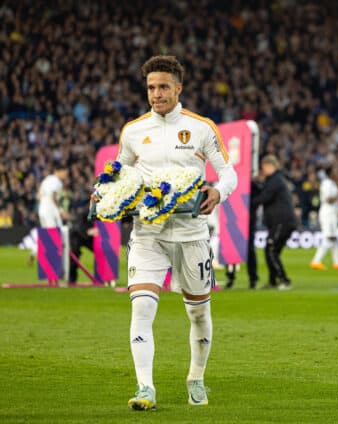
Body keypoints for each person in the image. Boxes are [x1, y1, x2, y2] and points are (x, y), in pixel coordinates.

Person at [115, 55, 237, 410]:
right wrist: (105, 192)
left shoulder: (201, 128)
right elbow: (118, 175)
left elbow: (228, 173)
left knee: (198, 313)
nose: (156, 94)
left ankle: (196, 378)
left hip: (192, 234)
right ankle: (144, 388)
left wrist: (218, 192)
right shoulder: (133, 131)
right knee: (141, 308)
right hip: (147, 234)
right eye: (151, 87)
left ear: (178, 88)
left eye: (163, 87)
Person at [251, 155, 297, 290]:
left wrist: (246, 202)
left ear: (271, 166)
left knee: (271, 249)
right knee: (271, 250)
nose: (262, 170)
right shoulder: (276, 179)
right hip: (283, 222)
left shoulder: (275, 181)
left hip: (281, 221)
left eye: (264, 167)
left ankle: (284, 280)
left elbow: (264, 197)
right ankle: (273, 281)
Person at [310, 167, 338, 270]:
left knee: (334, 237)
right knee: (329, 237)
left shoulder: (332, 183)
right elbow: (329, 200)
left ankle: (337, 263)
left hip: (332, 213)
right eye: (336, 172)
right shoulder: (326, 184)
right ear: (331, 173)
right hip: (327, 213)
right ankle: (316, 261)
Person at [38, 163, 69, 282]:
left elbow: (39, 195)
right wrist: (61, 211)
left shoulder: (46, 180)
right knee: (54, 240)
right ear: (59, 171)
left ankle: (48, 272)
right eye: (65, 172)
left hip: (42, 209)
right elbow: (54, 196)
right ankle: (55, 273)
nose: (66, 175)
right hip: (50, 211)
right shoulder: (56, 181)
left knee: (46, 241)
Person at [67, 206, 98, 285]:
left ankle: (102, 277)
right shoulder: (84, 212)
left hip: (89, 237)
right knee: (74, 256)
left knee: (101, 252)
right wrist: (88, 232)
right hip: (77, 236)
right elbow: (78, 226)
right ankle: (72, 280)